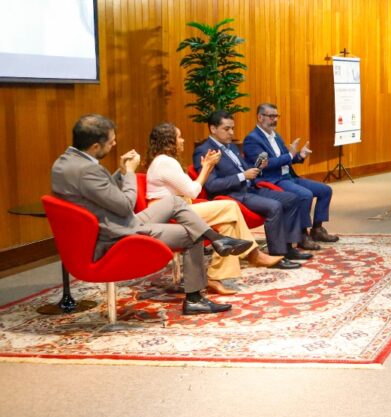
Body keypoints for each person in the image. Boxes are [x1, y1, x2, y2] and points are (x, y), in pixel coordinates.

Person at [51, 114, 252, 315]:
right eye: (111, 141)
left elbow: (102, 191)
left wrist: (120, 172)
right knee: (193, 234)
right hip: (118, 232)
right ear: (95, 146)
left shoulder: (64, 162)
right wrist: (129, 172)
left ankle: (218, 239)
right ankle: (195, 298)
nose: (114, 144)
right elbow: (125, 205)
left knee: (174, 201)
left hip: (118, 222)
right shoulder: (87, 170)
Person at [145, 122, 289, 292]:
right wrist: (207, 167)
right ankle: (253, 254)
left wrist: (207, 167)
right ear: (169, 142)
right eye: (179, 137)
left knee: (228, 225)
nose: (183, 140)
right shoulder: (165, 162)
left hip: (181, 209)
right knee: (230, 207)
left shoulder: (165, 161)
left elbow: (190, 191)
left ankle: (214, 277)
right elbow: (193, 191)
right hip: (171, 215)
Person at [194, 110, 310, 266]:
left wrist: (257, 167)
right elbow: (211, 185)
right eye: (226, 129)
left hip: (250, 189)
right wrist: (243, 176)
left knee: (291, 198)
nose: (231, 133)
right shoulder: (204, 151)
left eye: (232, 128)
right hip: (232, 195)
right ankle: (277, 255)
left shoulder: (232, 147)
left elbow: (245, 168)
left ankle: (288, 247)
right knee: (275, 206)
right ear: (213, 129)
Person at [243, 103, 339, 245]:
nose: (275, 120)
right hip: (273, 180)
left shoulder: (275, 136)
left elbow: (286, 158)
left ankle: (317, 229)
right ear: (260, 117)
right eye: (271, 116)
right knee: (305, 195)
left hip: (289, 177)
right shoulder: (252, 139)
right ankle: (301, 235)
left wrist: (299, 155)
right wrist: (289, 155)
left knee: (325, 190)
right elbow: (266, 164)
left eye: (276, 116)